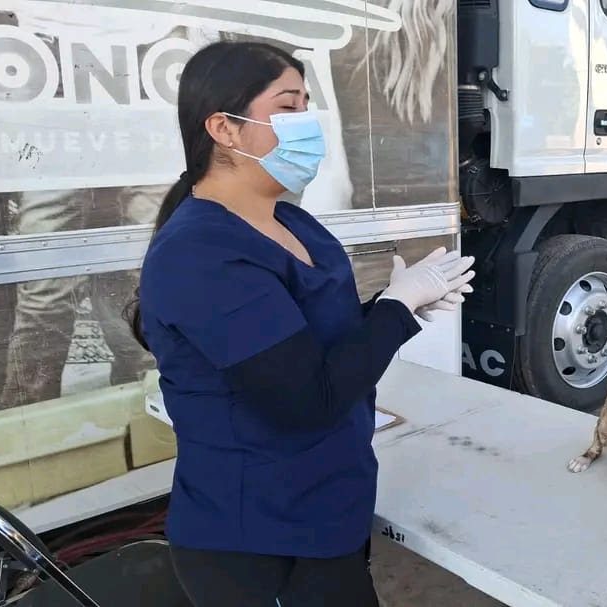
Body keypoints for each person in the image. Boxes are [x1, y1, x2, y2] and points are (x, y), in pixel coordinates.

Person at [126, 41, 474, 606]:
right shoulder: (201, 252)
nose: (308, 123)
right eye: (288, 106)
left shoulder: (289, 219)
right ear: (225, 129)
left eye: (308, 105)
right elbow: (307, 398)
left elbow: (311, 341)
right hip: (261, 536)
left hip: (324, 507)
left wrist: (396, 307)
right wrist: (395, 311)